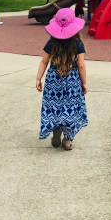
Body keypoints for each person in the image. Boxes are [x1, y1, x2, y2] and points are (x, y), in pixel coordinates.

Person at [35, 8, 88, 151]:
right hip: (72, 84)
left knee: (54, 107)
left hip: (53, 82)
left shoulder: (52, 43)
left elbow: (44, 61)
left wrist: (38, 78)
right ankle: (68, 140)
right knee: (71, 109)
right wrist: (83, 83)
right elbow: (81, 66)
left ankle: (56, 130)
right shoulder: (78, 44)